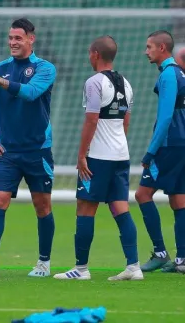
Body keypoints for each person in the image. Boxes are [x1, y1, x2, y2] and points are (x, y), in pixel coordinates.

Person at [0, 18, 56, 278]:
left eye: (18, 38)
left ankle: (43, 263)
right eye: (10, 38)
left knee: (42, 206)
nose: (12, 43)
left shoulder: (45, 68)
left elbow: (30, 93)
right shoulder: (1, 68)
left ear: (31, 39)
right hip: (7, 152)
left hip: (37, 151)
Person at [53, 36, 142, 281]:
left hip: (99, 157)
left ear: (94, 54)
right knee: (120, 206)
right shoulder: (127, 83)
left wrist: (82, 154)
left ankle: (81, 269)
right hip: (120, 155)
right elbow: (126, 121)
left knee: (85, 206)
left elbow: (92, 119)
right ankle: (134, 266)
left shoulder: (94, 83)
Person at [135, 31, 185, 274]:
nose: (146, 52)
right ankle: (182, 260)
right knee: (179, 198)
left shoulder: (168, 75)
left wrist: (150, 153)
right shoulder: (181, 72)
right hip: (182, 143)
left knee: (142, 194)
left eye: (149, 47)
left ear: (162, 48)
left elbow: (165, 117)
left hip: (170, 144)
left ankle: (160, 252)